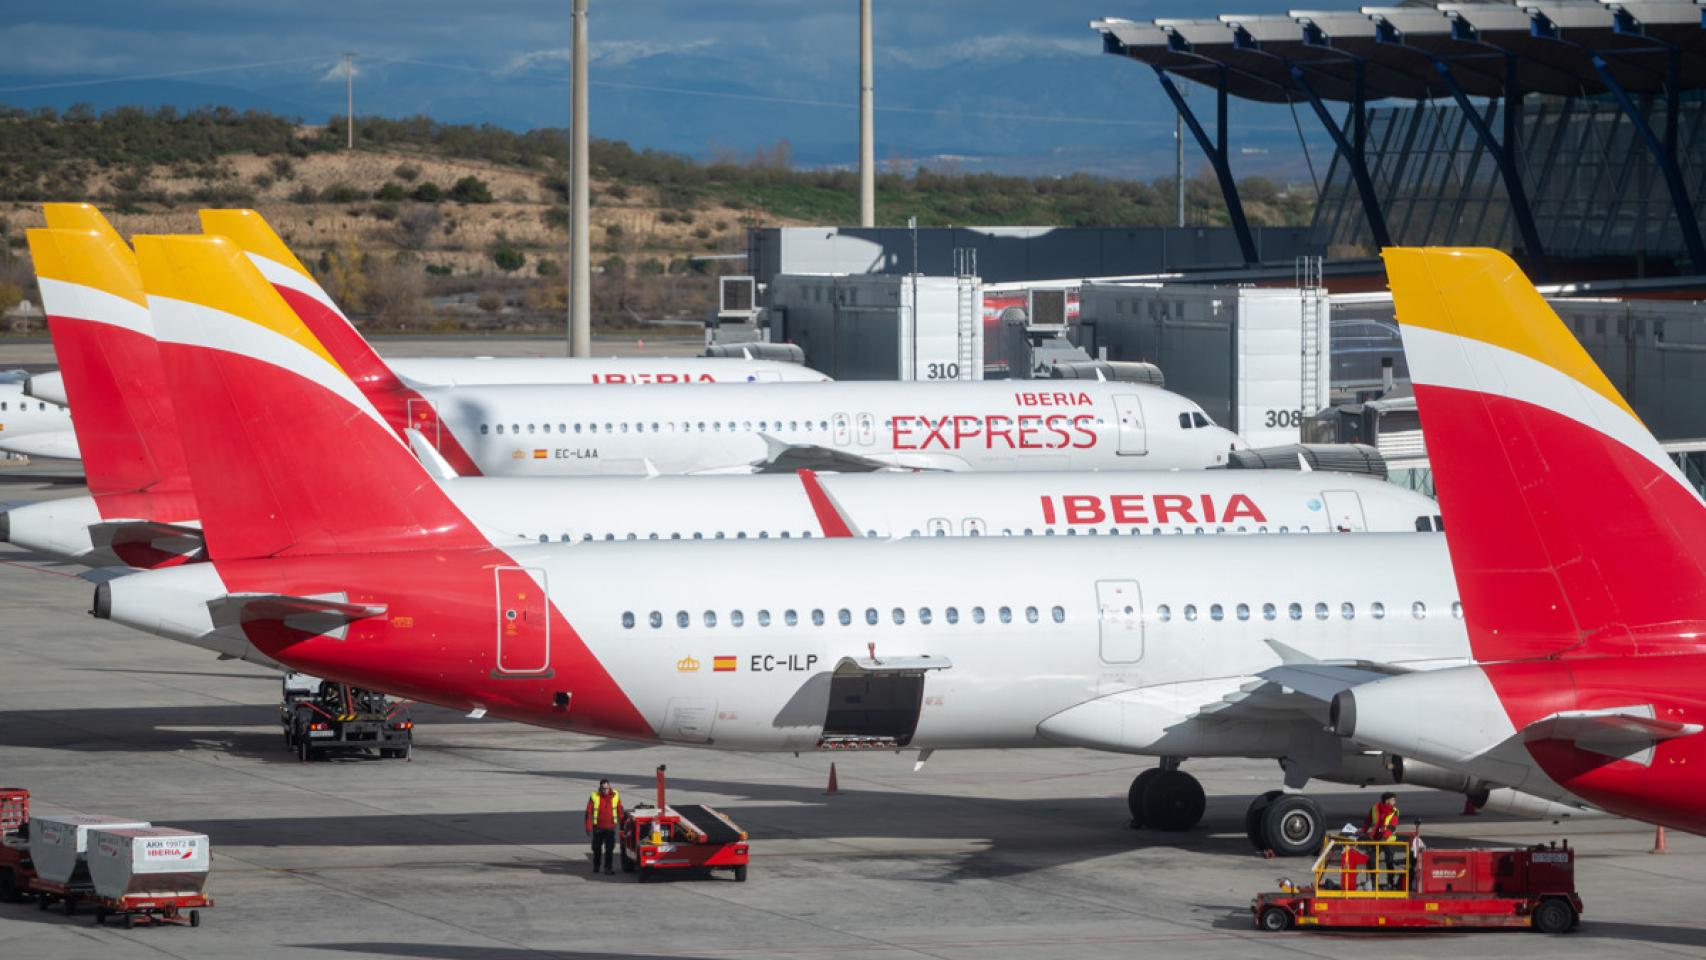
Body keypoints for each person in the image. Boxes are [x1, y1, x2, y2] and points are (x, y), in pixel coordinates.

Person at [584, 779, 624, 875]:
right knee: (596, 849)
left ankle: (608, 868)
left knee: (609, 849)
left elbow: (620, 810)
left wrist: (622, 823)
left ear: (609, 787)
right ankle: (596, 866)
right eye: (602, 788)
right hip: (598, 828)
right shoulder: (594, 796)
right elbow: (588, 813)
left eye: (606, 788)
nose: (604, 790)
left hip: (610, 828)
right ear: (600, 788)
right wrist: (588, 827)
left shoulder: (616, 795)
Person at [1363, 792, 1401, 890]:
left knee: (1389, 862)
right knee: (1372, 861)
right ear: (1387, 800)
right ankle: (1374, 884)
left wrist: (1384, 838)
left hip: (1388, 841)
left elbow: (1392, 827)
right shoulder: (1374, 808)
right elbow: (1368, 821)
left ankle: (1390, 883)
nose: (1395, 802)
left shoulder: (1395, 811)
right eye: (1393, 800)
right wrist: (1362, 831)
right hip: (1376, 839)